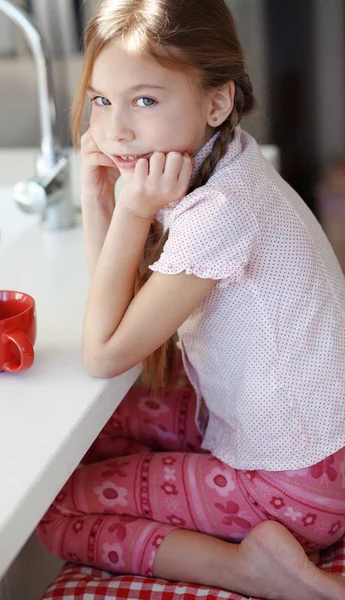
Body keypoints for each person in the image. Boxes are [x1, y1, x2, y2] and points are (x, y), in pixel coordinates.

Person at [36, 0, 345, 598]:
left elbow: (104, 353)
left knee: (52, 505)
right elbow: (117, 304)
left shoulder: (223, 211)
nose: (115, 129)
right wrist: (102, 198)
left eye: (145, 100)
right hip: (302, 445)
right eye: (101, 99)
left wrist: (129, 210)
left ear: (217, 101)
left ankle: (248, 570)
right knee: (87, 434)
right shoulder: (221, 162)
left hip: (296, 482)